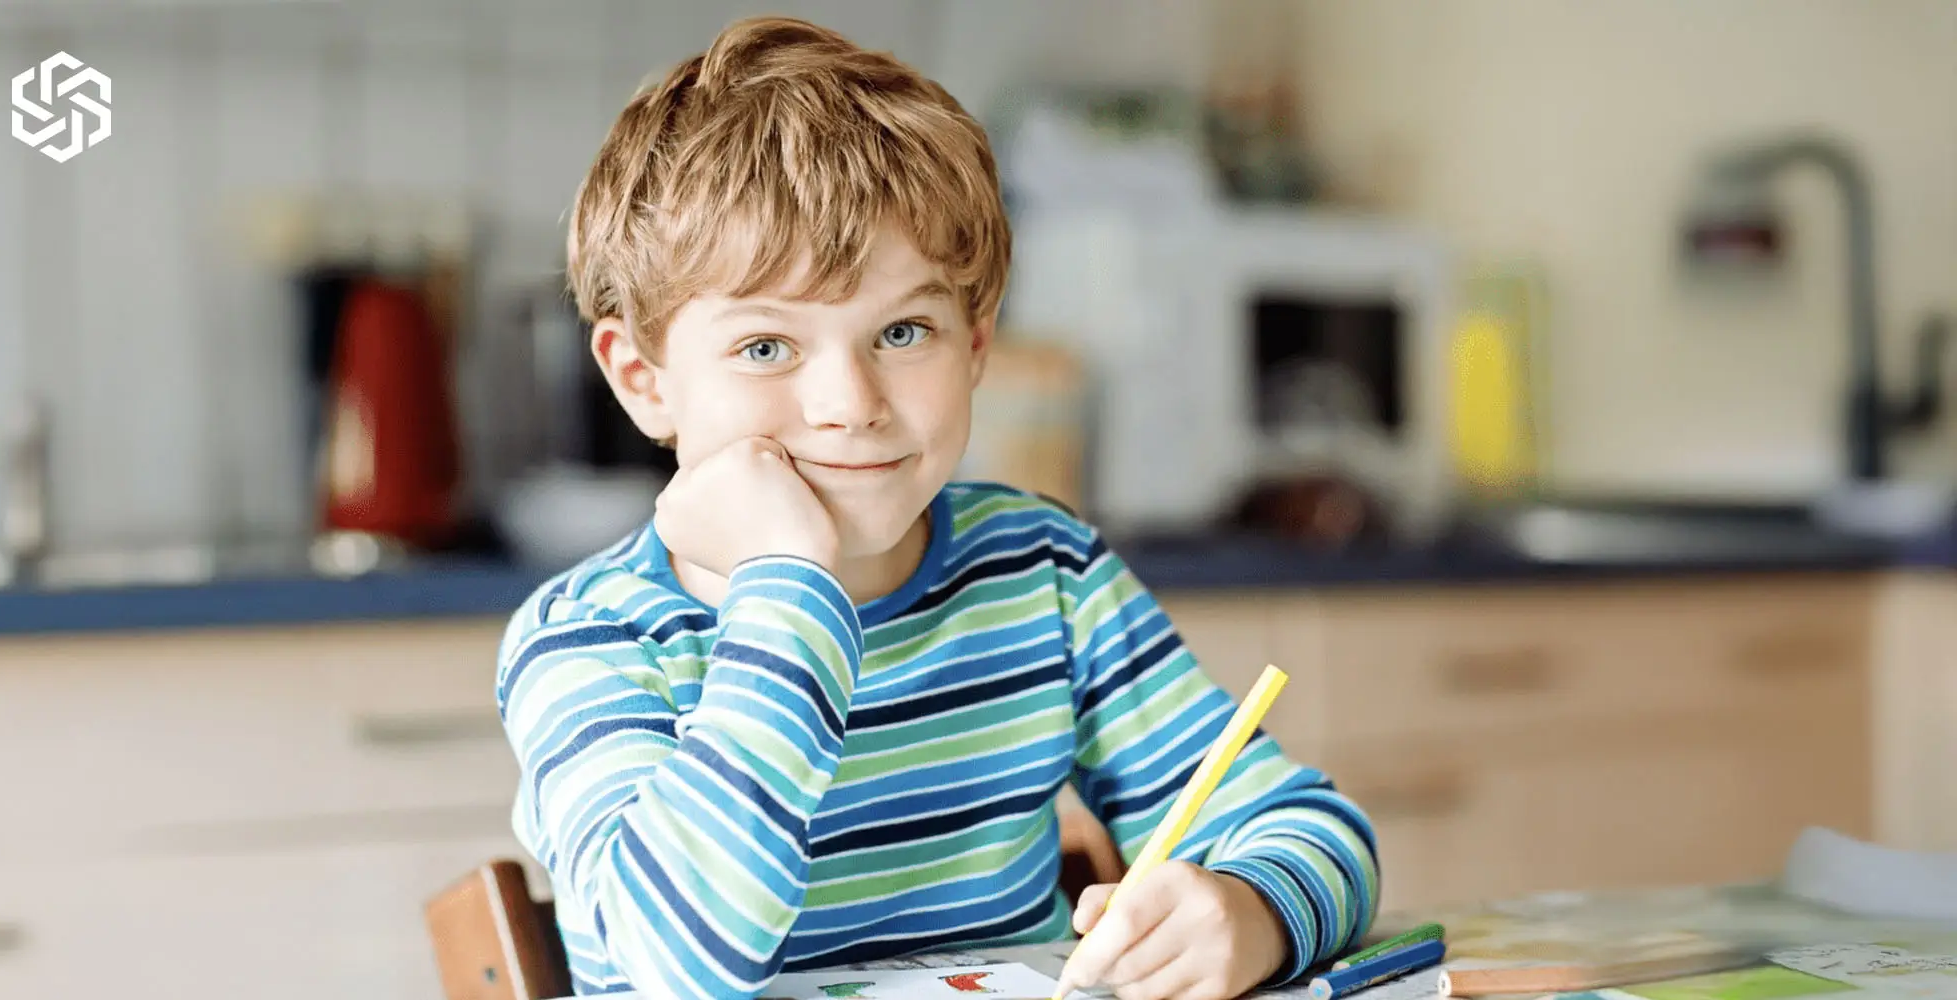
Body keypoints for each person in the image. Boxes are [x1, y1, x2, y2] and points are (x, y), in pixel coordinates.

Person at [496, 15, 1379, 999]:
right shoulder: (591, 637)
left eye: (904, 330)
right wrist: (789, 594)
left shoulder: (1041, 572)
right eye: (765, 348)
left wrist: (1247, 910)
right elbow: (679, 965)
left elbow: (1311, 830)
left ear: (974, 347)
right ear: (642, 377)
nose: (849, 404)